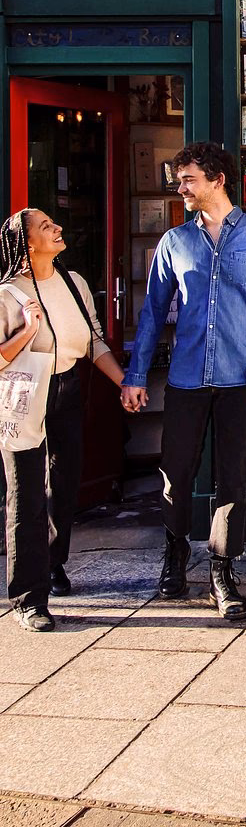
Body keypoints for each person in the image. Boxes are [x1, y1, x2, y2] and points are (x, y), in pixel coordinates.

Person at [121, 142, 246, 621]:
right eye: (179, 181)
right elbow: (154, 312)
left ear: (218, 179)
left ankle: (222, 569)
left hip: (242, 380)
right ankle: (175, 554)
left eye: (188, 180)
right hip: (186, 379)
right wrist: (135, 375)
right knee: (176, 476)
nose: (180, 189)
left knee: (232, 478)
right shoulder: (174, 243)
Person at [0, 209, 126, 631]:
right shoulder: (9, 293)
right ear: (27, 243)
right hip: (24, 393)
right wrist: (26, 329)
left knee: (65, 481)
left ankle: (53, 564)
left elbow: (92, 340)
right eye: (46, 227)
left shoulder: (75, 284)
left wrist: (124, 383)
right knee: (26, 495)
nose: (57, 228)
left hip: (67, 387)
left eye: (56, 222)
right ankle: (27, 599)